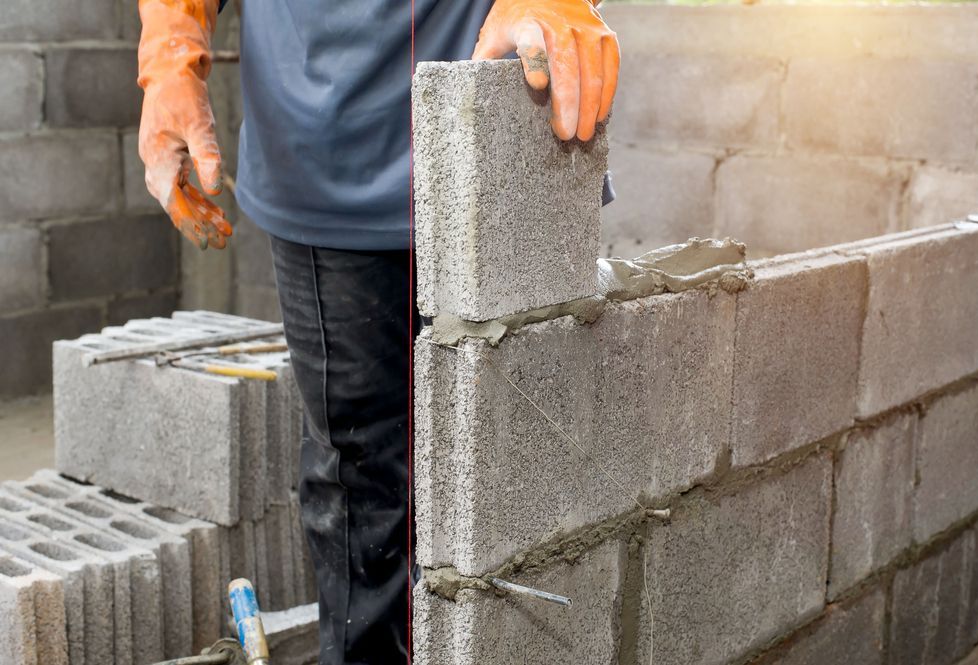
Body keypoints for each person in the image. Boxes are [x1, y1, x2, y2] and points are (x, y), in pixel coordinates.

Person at [135, 1, 620, 663]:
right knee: (365, 490)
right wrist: (168, 52)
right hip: (327, 144)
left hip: (507, 125)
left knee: (525, 466)